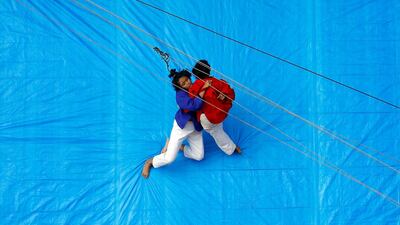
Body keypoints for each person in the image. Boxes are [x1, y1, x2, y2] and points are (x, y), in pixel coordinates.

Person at [142, 69, 211, 178]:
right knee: (170, 158)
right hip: (182, 127)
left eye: (187, 80)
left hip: (195, 126)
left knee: (199, 156)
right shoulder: (180, 96)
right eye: (183, 83)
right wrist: (202, 92)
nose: (187, 83)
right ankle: (150, 162)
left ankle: (182, 147)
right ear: (180, 87)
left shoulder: (196, 87)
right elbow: (194, 105)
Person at [189, 60, 241, 155]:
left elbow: (191, 102)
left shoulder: (195, 86)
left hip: (208, 118)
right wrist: (224, 96)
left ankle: (232, 149)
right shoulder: (218, 82)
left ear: (195, 73)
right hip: (219, 115)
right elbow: (231, 93)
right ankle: (232, 148)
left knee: (217, 132)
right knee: (218, 130)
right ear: (208, 71)